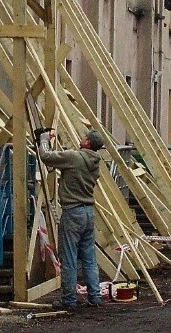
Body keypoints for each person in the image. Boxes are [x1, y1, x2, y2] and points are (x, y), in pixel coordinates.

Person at [37, 128, 104, 310]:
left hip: (73, 212)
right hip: (88, 212)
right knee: (89, 258)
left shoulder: (74, 157)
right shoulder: (94, 162)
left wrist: (43, 140)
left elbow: (45, 156)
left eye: (84, 137)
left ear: (88, 143)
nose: (81, 138)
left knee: (69, 258)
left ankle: (69, 300)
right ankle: (95, 297)